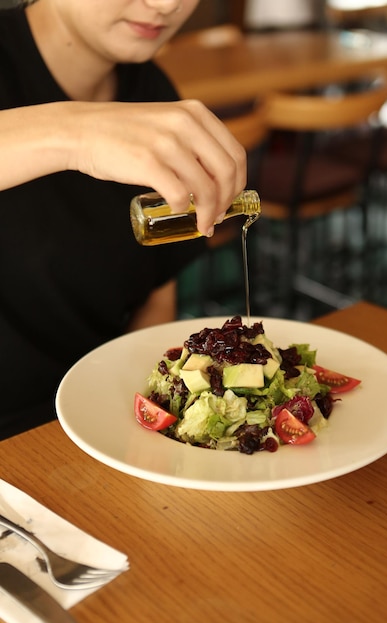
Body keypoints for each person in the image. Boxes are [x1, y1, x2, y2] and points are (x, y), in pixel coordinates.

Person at [0, 0, 247, 439]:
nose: (167, 4)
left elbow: (156, 298)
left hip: (93, 427)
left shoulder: (152, 92)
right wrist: (74, 132)